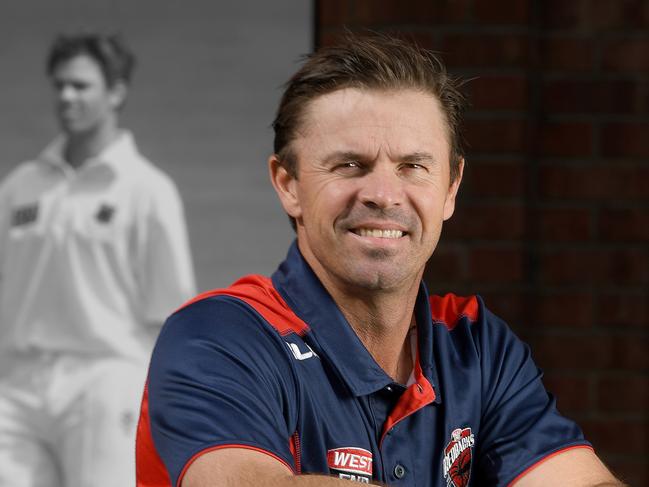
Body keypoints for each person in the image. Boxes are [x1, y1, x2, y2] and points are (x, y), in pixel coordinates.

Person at [136, 34, 623, 486]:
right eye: (350, 165)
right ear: (289, 185)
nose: (384, 194)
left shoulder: (476, 346)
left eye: (413, 166)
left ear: (451, 188)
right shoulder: (217, 336)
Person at [0, 33, 195, 486]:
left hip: (105, 380)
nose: (67, 96)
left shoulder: (146, 191)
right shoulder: (21, 185)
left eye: (81, 86)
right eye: (60, 85)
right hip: (19, 382)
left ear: (116, 92)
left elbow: (170, 308)